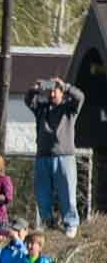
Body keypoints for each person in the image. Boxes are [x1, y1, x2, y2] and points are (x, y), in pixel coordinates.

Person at [26, 78, 85, 237]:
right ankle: (48, 221)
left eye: (55, 91)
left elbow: (80, 97)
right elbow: (28, 100)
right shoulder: (42, 109)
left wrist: (65, 86)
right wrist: (36, 89)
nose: (52, 94)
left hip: (64, 156)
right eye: (49, 91)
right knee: (42, 193)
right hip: (43, 156)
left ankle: (70, 223)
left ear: (62, 94)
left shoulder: (69, 109)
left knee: (67, 192)